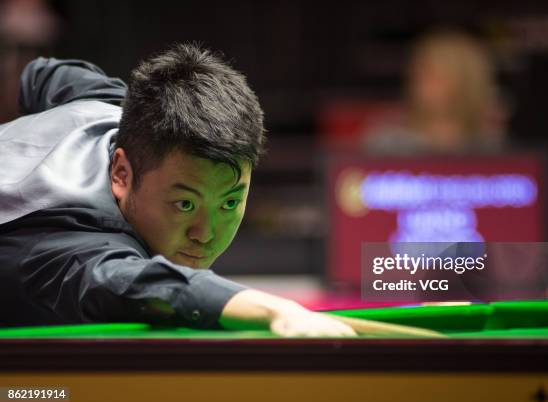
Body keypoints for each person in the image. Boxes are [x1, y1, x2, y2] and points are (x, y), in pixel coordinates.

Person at [0, 43, 356, 337]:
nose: (206, 233)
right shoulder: (71, 251)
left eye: (230, 201)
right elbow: (147, 287)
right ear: (121, 174)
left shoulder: (114, 108)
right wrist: (274, 309)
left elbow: (43, 74)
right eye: (185, 204)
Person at [363, 30, 507, 154]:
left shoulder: (493, 147)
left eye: (435, 76)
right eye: (419, 73)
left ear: (466, 82)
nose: (422, 83)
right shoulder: (386, 143)